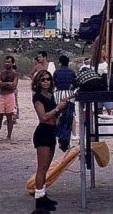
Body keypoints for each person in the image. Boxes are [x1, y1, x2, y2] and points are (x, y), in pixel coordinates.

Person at [31, 69, 68, 212]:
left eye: (48, 79)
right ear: (38, 82)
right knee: (41, 168)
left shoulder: (51, 95)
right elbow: (43, 117)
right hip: (43, 133)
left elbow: (54, 116)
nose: (46, 82)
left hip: (51, 132)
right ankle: (38, 200)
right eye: (43, 80)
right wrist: (58, 108)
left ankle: (43, 195)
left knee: (46, 168)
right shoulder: (38, 97)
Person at [0, 56, 19, 141]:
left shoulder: (15, 73)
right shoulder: (1, 72)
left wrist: (3, 83)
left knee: (9, 117)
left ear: (12, 63)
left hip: (9, 96)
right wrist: (8, 83)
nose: (6, 63)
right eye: (5, 62)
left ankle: (9, 136)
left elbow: (14, 85)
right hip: (1, 96)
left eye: (8, 62)